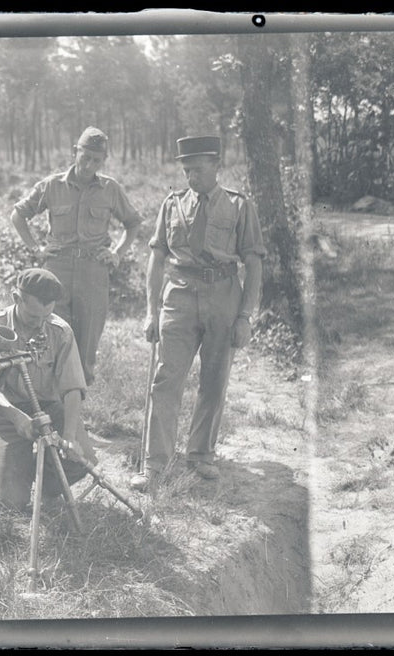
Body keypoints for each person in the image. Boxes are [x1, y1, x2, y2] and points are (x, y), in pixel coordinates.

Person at [132, 135, 266, 492]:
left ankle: (201, 454)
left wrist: (245, 317)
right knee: (165, 381)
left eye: (199, 170)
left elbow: (253, 263)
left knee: (214, 379)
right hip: (178, 296)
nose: (192, 178)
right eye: (187, 170)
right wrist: (150, 312)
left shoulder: (239, 207)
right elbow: (157, 257)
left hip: (223, 295)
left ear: (217, 165)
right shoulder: (172, 205)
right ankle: (155, 465)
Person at [10, 126, 145, 387]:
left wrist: (116, 253)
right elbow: (18, 215)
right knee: (50, 334)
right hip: (56, 270)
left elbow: (133, 223)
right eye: (85, 157)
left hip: (93, 272)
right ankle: (48, 401)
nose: (89, 165)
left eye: (97, 160)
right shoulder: (52, 186)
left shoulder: (110, 189)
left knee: (87, 341)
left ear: (103, 160)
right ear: (75, 152)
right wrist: (36, 248)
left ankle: (77, 408)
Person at [0, 268, 99, 511]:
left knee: (81, 460)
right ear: (16, 298)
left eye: (46, 315)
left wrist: (71, 437)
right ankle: (1, 481)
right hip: (6, 414)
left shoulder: (60, 331)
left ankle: (44, 485)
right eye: (33, 317)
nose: (40, 323)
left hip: (50, 409)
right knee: (10, 504)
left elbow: (73, 389)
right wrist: (16, 417)